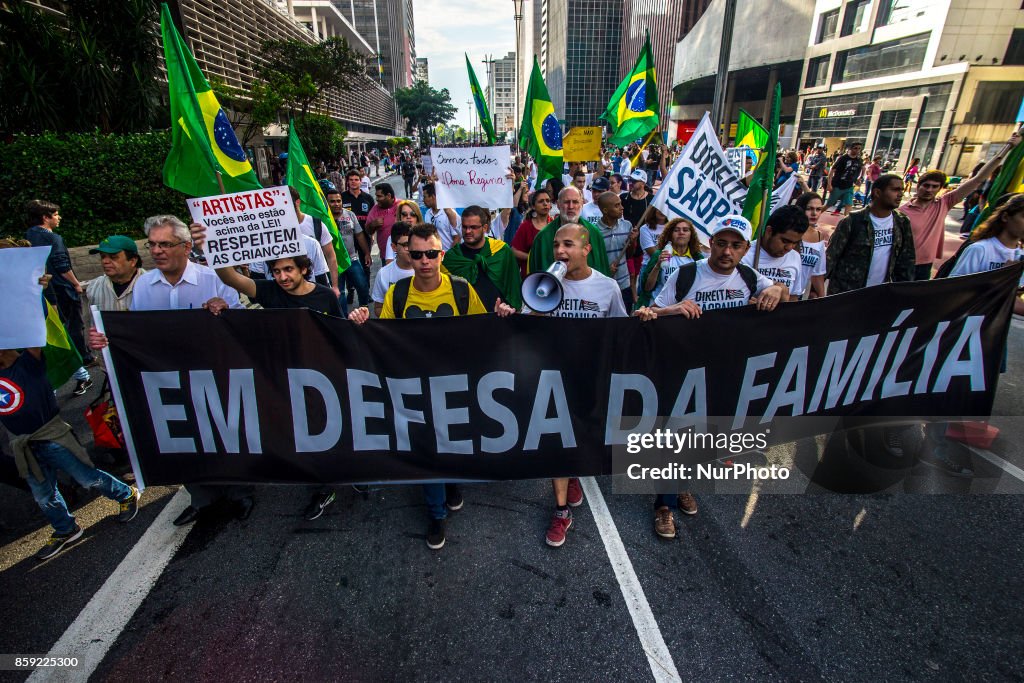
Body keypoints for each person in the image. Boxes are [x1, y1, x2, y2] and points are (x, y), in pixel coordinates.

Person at [347, 223, 514, 550]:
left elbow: (485, 331)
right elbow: (384, 337)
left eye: (432, 254)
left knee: (452, 442)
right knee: (426, 449)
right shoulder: (398, 292)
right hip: (414, 386)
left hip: (454, 385)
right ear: (408, 253)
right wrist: (363, 322)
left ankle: (451, 482)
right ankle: (436, 513)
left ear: (442, 254)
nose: (425, 260)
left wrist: (503, 317)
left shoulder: (461, 289)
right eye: (418, 253)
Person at [88, 215, 253, 526]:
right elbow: (135, 336)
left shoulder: (213, 279)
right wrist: (104, 340)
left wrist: (226, 309)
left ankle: (239, 492)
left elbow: (243, 323)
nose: (157, 251)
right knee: (185, 438)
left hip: (215, 376)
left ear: (186, 247)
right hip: (169, 380)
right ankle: (202, 498)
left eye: (165, 244)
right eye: (152, 245)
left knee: (225, 434)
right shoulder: (145, 287)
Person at [633, 215, 785, 539]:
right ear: (709, 243)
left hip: (722, 371)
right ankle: (664, 505)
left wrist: (775, 289)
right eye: (721, 243)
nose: (727, 251)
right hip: (682, 370)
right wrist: (671, 310)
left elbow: (777, 288)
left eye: (736, 245)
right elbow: (647, 314)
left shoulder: (748, 276)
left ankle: (683, 485)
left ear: (745, 249)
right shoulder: (686, 274)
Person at [1, 255, 139, 561]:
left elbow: (34, 326)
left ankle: (125, 494)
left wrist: (33, 292)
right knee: (43, 495)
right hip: (24, 446)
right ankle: (66, 528)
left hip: (51, 436)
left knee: (87, 477)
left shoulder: (30, 363)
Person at [523, 223, 626, 547]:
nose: (560, 252)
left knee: (582, 440)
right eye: (556, 245)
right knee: (558, 444)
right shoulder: (544, 284)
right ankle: (561, 509)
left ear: (586, 249)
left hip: (590, 381)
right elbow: (526, 325)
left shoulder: (607, 288)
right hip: (553, 379)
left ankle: (573, 474)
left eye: (568, 245)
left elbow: (621, 333)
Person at [900, 132, 1020, 281]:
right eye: (926, 185)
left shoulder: (943, 204)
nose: (929, 190)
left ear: (940, 189)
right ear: (918, 186)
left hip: (925, 265)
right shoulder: (901, 212)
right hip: (902, 264)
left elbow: (978, 179)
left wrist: (1007, 147)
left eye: (934, 186)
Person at [24, 200, 93, 395]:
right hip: (59, 293)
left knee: (51, 338)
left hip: (38, 296)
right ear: (45, 218)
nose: (58, 218)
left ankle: (77, 375)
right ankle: (83, 363)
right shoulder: (53, 238)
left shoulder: (26, 238)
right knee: (69, 331)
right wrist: (76, 284)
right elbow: (62, 266)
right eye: (55, 214)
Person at [826, 173, 915, 295]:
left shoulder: (902, 222)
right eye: (895, 190)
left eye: (901, 190)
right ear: (877, 192)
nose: (900, 194)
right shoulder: (852, 221)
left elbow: (906, 260)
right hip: (846, 294)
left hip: (879, 295)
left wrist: (904, 292)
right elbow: (830, 258)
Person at [440, 205, 522, 311]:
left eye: (473, 227)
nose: (468, 231)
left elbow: (513, 285)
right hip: (465, 320)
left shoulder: (501, 251)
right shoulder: (452, 258)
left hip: (500, 317)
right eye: (464, 227)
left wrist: (512, 309)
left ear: (485, 228)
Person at [526, 186, 611, 276]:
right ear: (558, 204)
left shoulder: (594, 233)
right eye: (566, 202)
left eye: (575, 202)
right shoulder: (542, 238)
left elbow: (602, 271)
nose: (571, 207)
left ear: (582, 204)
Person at [741, 205, 809, 301]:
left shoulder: (795, 257)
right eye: (785, 241)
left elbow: (793, 297)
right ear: (769, 231)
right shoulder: (743, 255)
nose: (789, 248)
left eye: (795, 243)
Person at [636, 217, 703, 308]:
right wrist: (657, 266)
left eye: (685, 230)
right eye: (676, 230)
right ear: (670, 234)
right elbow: (647, 288)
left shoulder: (697, 258)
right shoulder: (660, 255)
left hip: (685, 310)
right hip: (658, 310)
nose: (681, 232)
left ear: (691, 235)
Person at [288, 187, 341, 298]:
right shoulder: (270, 232)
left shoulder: (316, 224)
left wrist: (335, 286)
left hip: (315, 291)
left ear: (297, 202)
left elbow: (331, 256)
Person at [326, 188, 371, 311]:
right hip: (333, 263)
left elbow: (359, 235)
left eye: (338, 201)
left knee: (362, 285)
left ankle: (364, 309)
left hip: (352, 258)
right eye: (332, 201)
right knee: (339, 292)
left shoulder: (350, 215)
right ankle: (344, 319)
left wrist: (366, 253)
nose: (336, 204)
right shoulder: (324, 219)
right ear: (327, 202)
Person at [593, 191, 635, 310]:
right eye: (617, 205)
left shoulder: (627, 226)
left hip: (624, 285)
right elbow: (592, 261)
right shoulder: (595, 232)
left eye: (620, 204)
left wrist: (632, 242)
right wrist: (605, 269)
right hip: (603, 285)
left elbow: (629, 255)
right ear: (605, 210)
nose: (622, 208)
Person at [84, 235, 146, 312]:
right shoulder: (94, 288)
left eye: (113, 257)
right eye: (103, 256)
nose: (105, 261)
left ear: (133, 261)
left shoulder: (151, 286)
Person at [371, 221, 415, 316]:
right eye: (406, 245)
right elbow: (378, 307)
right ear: (394, 247)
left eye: (413, 243)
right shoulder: (383, 274)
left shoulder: (425, 269)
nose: (411, 249)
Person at [511, 189, 553, 277]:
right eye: (541, 201)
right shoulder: (526, 226)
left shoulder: (555, 224)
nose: (545, 204)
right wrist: (532, 257)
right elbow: (514, 251)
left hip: (551, 275)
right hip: (530, 276)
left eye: (547, 201)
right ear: (533, 206)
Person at [794, 192, 827, 299]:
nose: (814, 213)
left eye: (818, 209)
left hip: (798, 295)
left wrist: (823, 299)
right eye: (809, 209)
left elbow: (818, 274)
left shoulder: (818, 237)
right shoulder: (788, 233)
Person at [824, 141, 864, 216]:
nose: (857, 150)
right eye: (855, 148)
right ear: (850, 149)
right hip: (838, 185)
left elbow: (863, 168)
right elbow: (832, 170)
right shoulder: (843, 158)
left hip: (849, 186)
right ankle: (814, 217)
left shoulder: (858, 160)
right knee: (829, 204)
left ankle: (846, 223)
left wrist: (860, 178)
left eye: (859, 149)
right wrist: (829, 184)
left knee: (849, 205)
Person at [366, 183, 398, 265]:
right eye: (376, 196)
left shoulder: (402, 205)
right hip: (386, 255)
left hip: (404, 253)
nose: (377, 199)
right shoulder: (375, 209)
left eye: (379, 196)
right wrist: (373, 224)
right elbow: (368, 230)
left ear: (389, 196)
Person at [421, 183, 461, 250]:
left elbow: (457, 238)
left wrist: (448, 255)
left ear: (433, 196)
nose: (423, 200)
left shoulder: (448, 214)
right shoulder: (427, 213)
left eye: (425, 197)